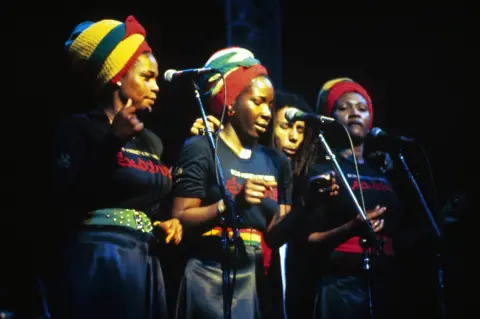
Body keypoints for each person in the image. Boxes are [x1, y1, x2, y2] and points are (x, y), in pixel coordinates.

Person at [45, 15, 182, 319]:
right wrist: (112, 141)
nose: (156, 87)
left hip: (144, 258)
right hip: (100, 258)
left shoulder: (153, 142)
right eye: (147, 77)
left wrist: (162, 223)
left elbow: (145, 201)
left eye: (156, 78)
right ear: (119, 76)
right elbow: (67, 195)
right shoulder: (80, 129)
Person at [172, 47, 293, 319]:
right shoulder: (202, 147)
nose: (267, 113)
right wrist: (231, 205)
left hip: (256, 275)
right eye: (258, 101)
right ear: (231, 101)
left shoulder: (278, 162)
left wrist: (309, 208)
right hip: (208, 273)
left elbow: (275, 236)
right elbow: (180, 217)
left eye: (270, 105)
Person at [189, 90, 329, 318]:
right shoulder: (228, 155)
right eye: (285, 127)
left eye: (300, 130)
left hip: (269, 276)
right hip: (223, 267)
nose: (293, 137)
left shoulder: (301, 177)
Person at [291, 77, 404, 319]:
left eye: (362, 109)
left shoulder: (383, 171)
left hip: (385, 284)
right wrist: (352, 228)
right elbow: (307, 240)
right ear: (329, 118)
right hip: (339, 286)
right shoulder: (321, 171)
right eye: (344, 108)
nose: (354, 113)